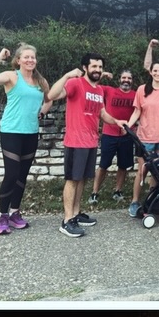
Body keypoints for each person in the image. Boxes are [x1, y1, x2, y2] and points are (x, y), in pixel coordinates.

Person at [50, 53, 127, 239]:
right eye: (94, 66)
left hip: (91, 141)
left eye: (100, 67)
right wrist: (67, 75)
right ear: (85, 67)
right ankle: (67, 220)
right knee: (72, 180)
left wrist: (117, 122)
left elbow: (102, 114)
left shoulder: (98, 90)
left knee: (82, 179)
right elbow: (51, 95)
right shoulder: (75, 83)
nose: (97, 70)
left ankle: (76, 214)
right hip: (75, 141)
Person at [0, 45, 49, 235]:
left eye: (33, 57)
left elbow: (49, 98)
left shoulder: (41, 81)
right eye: (26, 57)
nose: (30, 60)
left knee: (22, 175)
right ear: (18, 60)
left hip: (31, 132)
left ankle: (14, 213)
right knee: (11, 174)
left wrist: (42, 113)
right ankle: (2, 216)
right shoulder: (11, 76)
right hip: (11, 131)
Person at [127, 61, 159, 217]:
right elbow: (137, 111)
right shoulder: (142, 89)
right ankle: (135, 201)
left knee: (157, 171)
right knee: (142, 171)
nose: (157, 73)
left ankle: (151, 200)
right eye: (155, 70)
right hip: (145, 138)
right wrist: (127, 126)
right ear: (150, 72)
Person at [90, 68, 137, 205]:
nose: (126, 80)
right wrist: (103, 75)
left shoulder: (135, 95)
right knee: (103, 165)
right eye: (124, 78)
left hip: (126, 135)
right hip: (109, 134)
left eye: (129, 78)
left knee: (123, 165)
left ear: (132, 81)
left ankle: (118, 191)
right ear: (119, 80)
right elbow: (93, 86)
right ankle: (94, 193)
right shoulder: (109, 91)